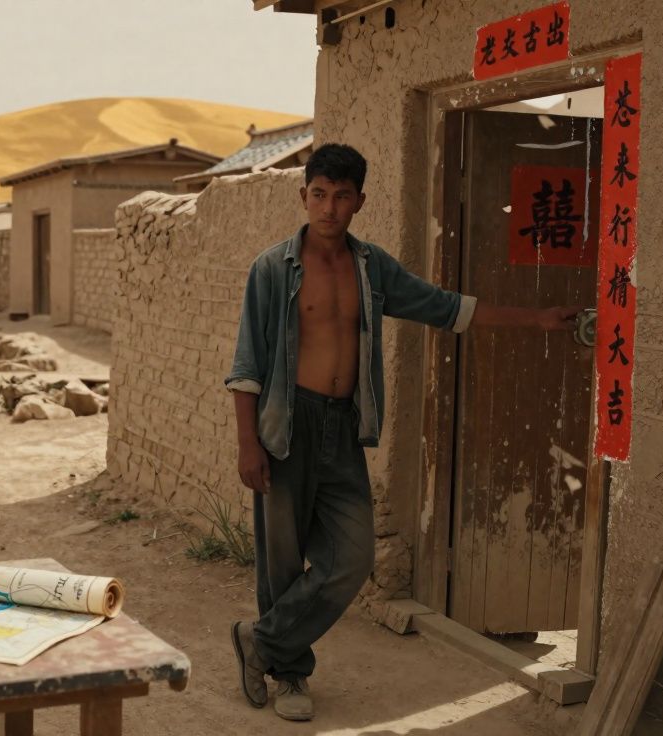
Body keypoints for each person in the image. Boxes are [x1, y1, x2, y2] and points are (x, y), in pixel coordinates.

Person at [225, 144, 581, 722]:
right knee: (282, 560)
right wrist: (248, 443)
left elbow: (444, 307)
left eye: (342, 196)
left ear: (360, 201)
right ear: (303, 196)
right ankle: (289, 673)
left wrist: (537, 319)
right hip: (286, 427)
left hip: (343, 428)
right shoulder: (272, 269)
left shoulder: (371, 268)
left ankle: (259, 641)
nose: (329, 208)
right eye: (319, 194)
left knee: (353, 556)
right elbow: (247, 364)